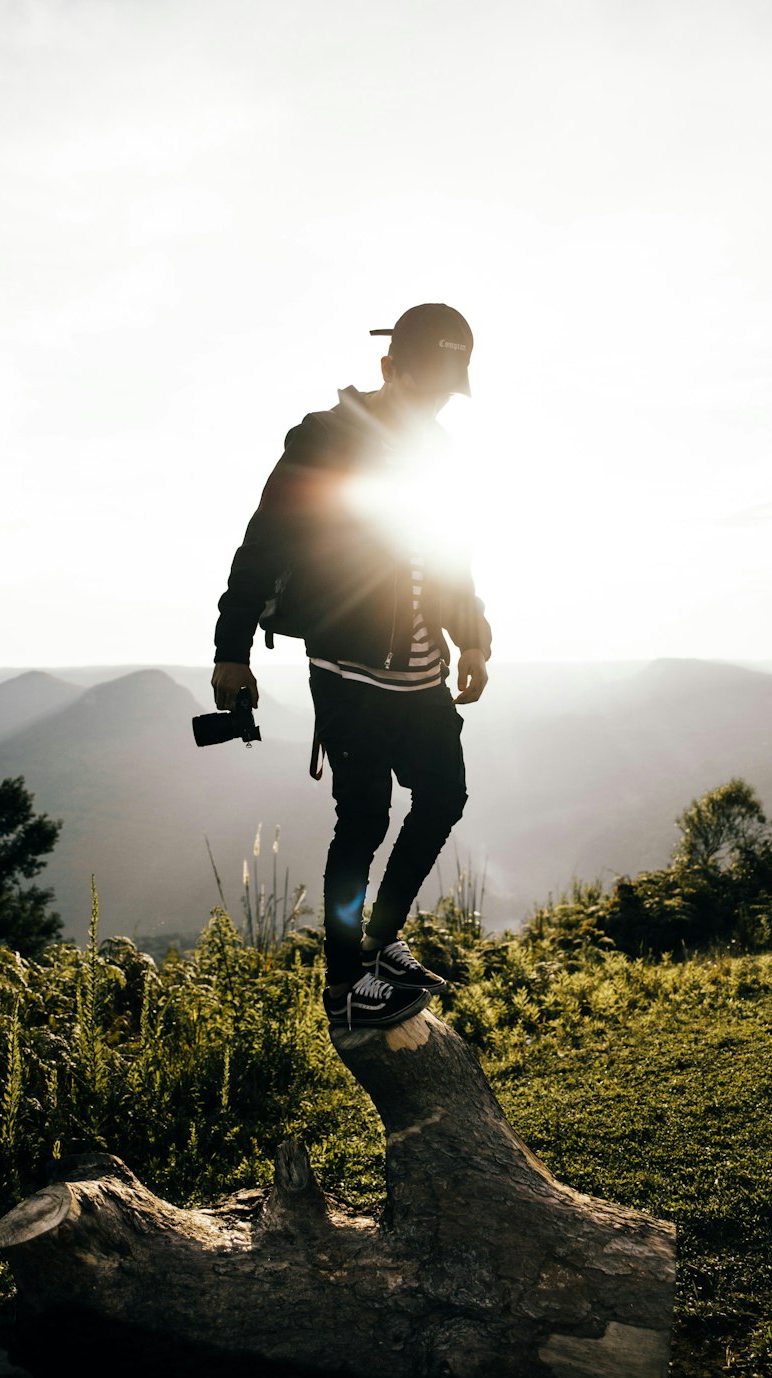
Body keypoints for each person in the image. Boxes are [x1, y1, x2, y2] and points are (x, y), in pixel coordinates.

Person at [212, 304, 491, 1029]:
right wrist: (230, 649)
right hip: (348, 670)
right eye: (421, 383)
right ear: (387, 368)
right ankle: (344, 983)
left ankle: (380, 938)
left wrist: (475, 639)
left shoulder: (439, 451)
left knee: (443, 798)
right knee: (363, 819)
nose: (431, 402)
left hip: (422, 671)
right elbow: (265, 544)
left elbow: (452, 555)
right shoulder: (325, 440)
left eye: (442, 391)